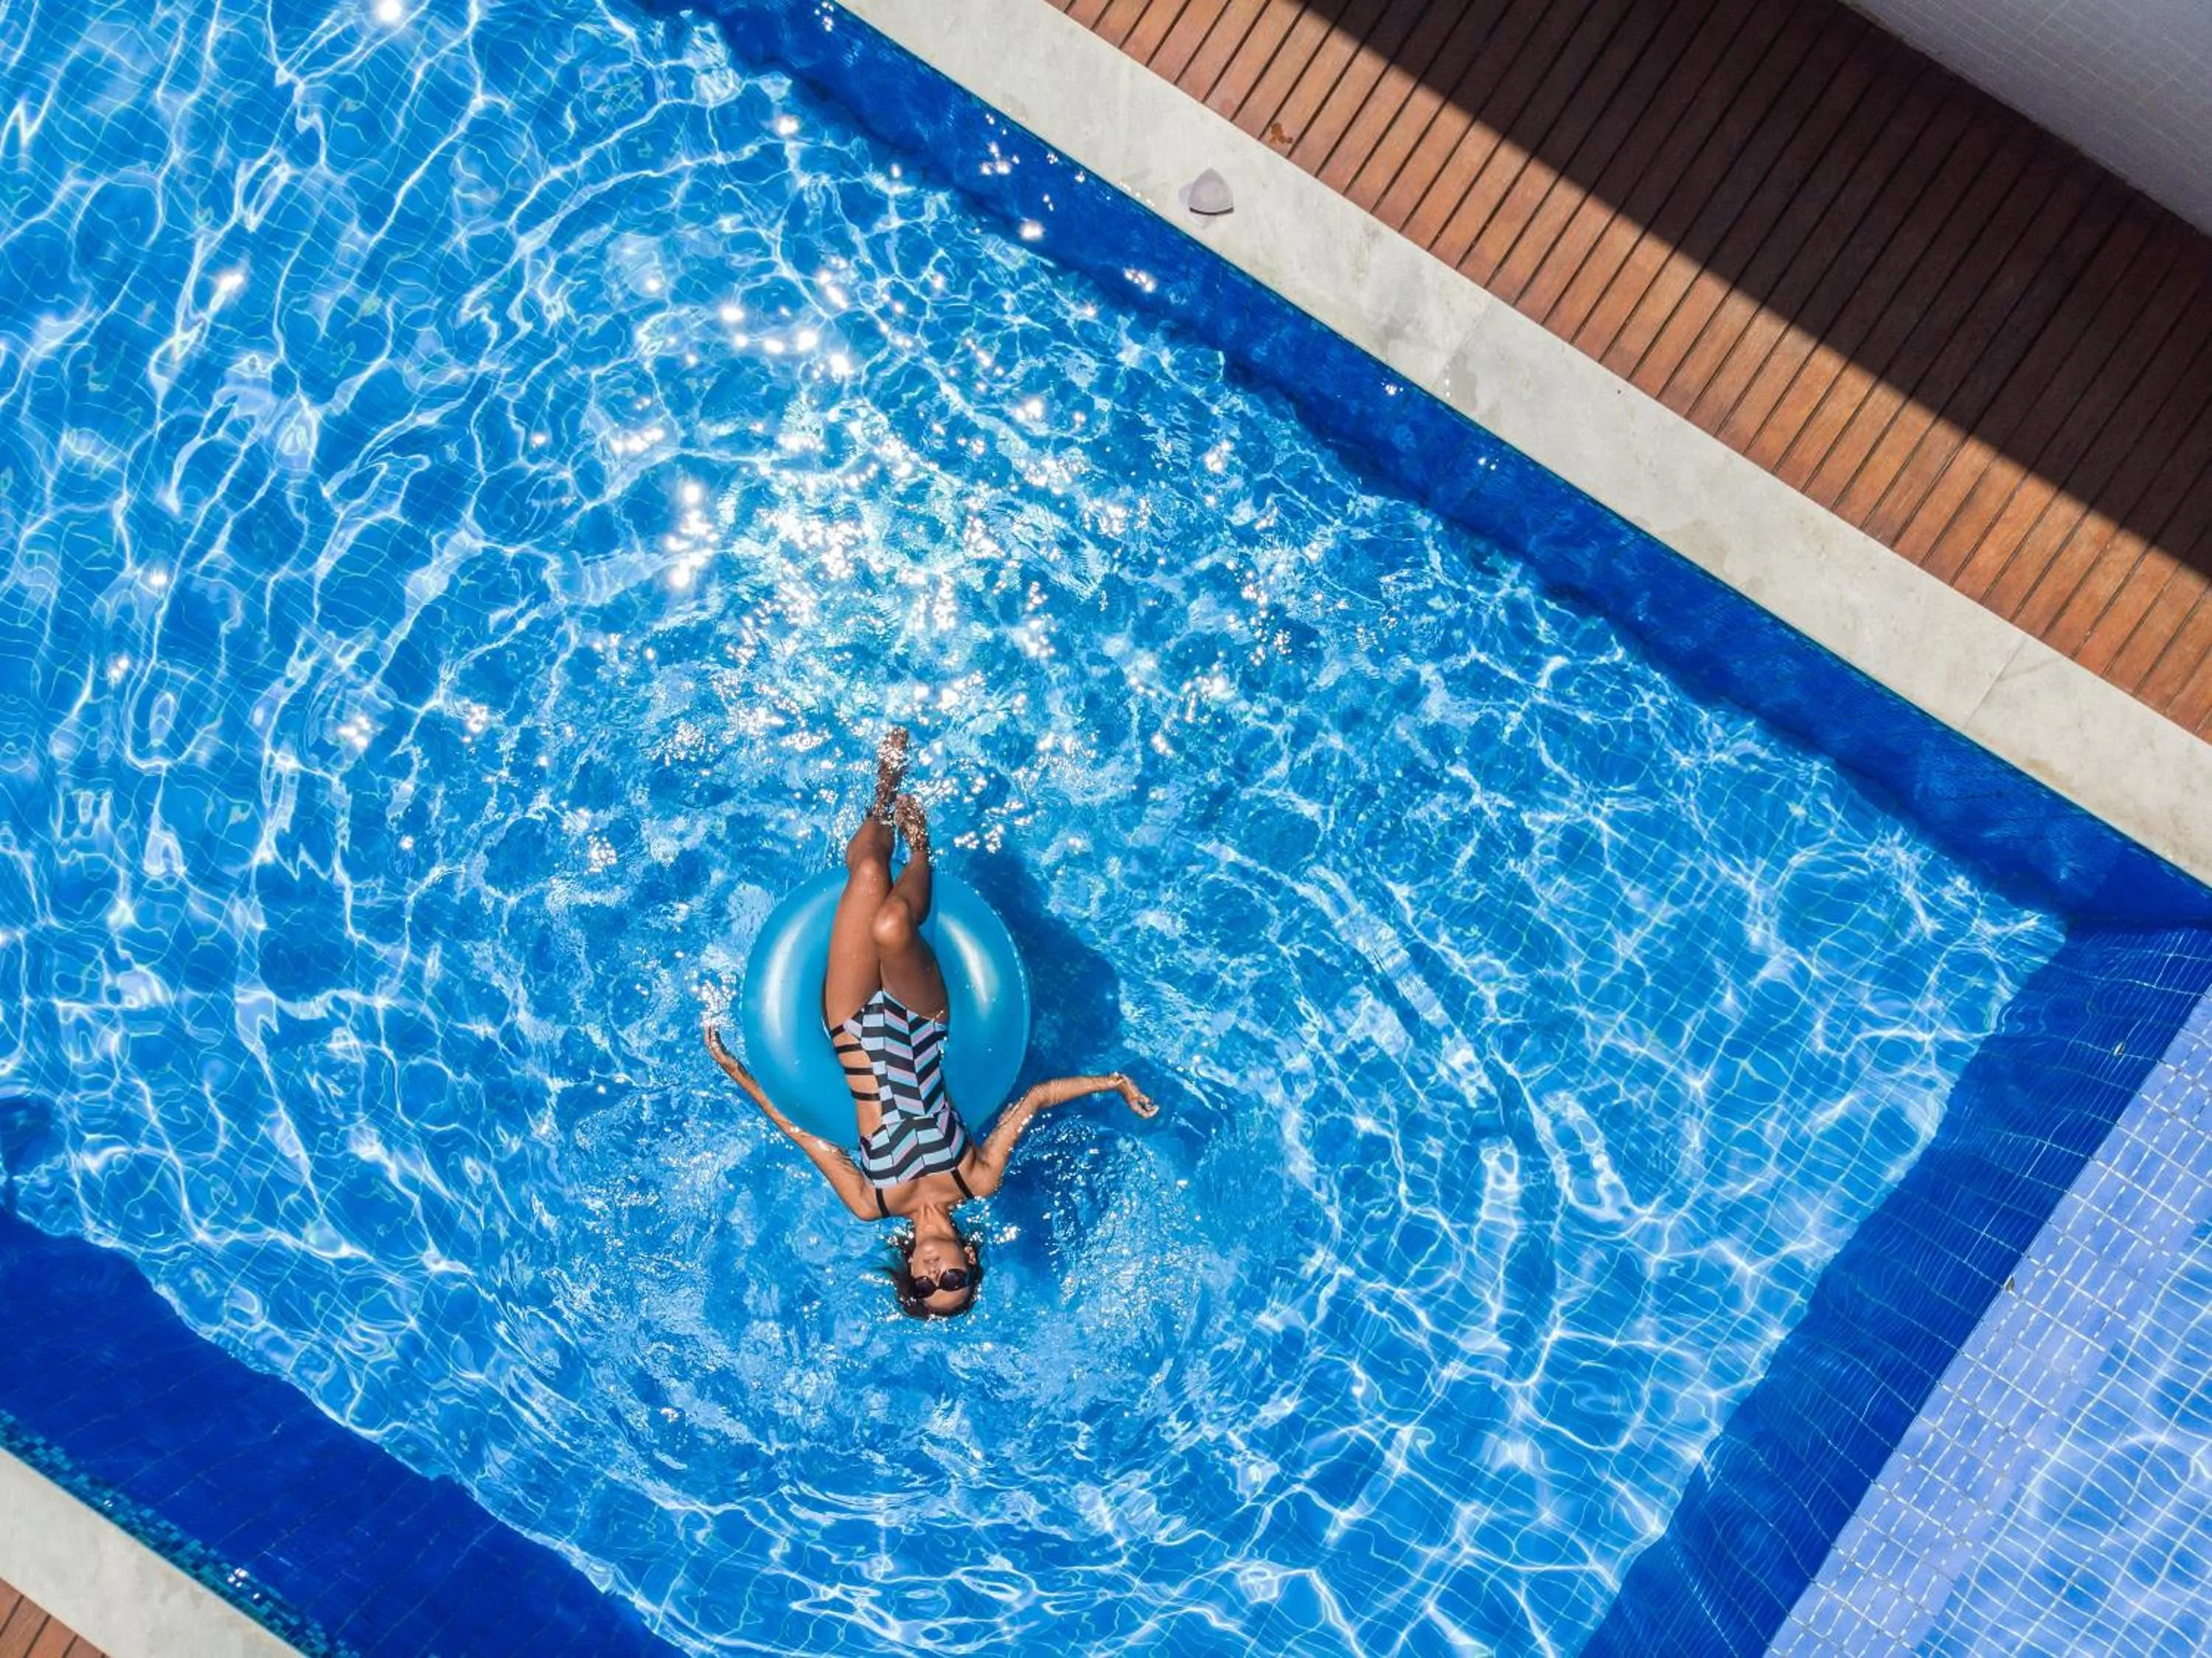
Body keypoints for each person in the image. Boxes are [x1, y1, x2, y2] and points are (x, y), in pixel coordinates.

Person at [705, 729, 1155, 1319]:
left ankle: (882, 793)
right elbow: (1036, 1099)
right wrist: (1114, 1083)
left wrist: (739, 1071)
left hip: (847, 1028)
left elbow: (803, 1133)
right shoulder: (977, 1180)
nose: (934, 1275)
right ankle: (922, 853)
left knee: (867, 872)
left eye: (924, 1288)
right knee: (892, 926)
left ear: (909, 1277)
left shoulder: (872, 1203)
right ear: (970, 1258)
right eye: (955, 1280)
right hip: (921, 1025)